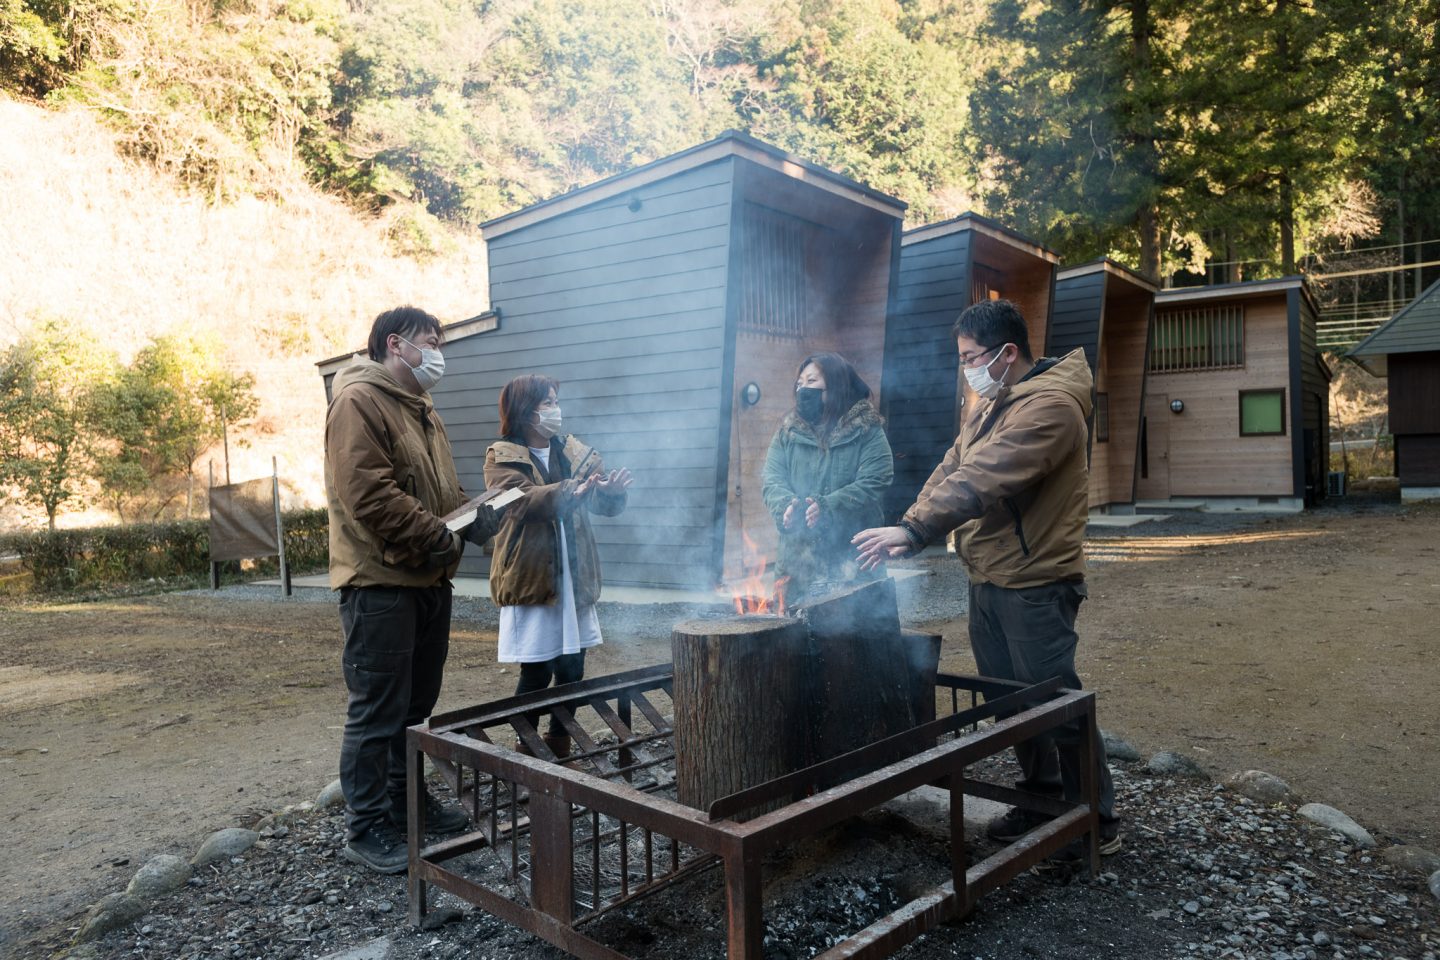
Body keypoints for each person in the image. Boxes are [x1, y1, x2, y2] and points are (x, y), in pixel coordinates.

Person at [852, 298, 1119, 860]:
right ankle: (1040, 797)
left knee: (1054, 701)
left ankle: (1094, 818)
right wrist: (906, 524)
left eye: (971, 357)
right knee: (1010, 701)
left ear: (1007, 352)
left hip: (1035, 578)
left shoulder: (1051, 406)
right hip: (990, 574)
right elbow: (952, 466)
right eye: (962, 358)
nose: (966, 367)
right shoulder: (993, 402)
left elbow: (985, 475)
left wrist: (915, 530)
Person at [325, 305, 500, 875]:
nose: (439, 352)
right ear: (395, 344)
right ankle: (367, 827)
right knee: (378, 710)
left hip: (427, 575)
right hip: (380, 582)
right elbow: (370, 496)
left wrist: (476, 519)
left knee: (416, 707)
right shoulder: (358, 400)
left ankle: (406, 806)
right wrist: (441, 536)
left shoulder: (420, 408)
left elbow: (438, 494)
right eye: (431, 340)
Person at [483, 375, 631, 758]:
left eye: (554, 401)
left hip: (573, 572)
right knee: (536, 671)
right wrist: (568, 491)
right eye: (547, 402)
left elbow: (598, 503)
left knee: (572, 668)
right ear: (525, 411)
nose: (554, 409)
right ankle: (525, 752)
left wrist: (611, 494)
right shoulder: (502, 455)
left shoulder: (571, 450)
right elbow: (519, 502)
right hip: (532, 575)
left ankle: (560, 746)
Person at [760, 352, 893, 602]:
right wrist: (785, 506)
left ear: (836, 386)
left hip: (853, 563)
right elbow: (772, 478)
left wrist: (828, 506)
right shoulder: (787, 433)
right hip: (797, 567)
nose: (802, 389)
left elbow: (876, 479)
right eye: (799, 384)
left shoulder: (867, 430)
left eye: (811, 382)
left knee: (856, 636)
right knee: (792, 638)